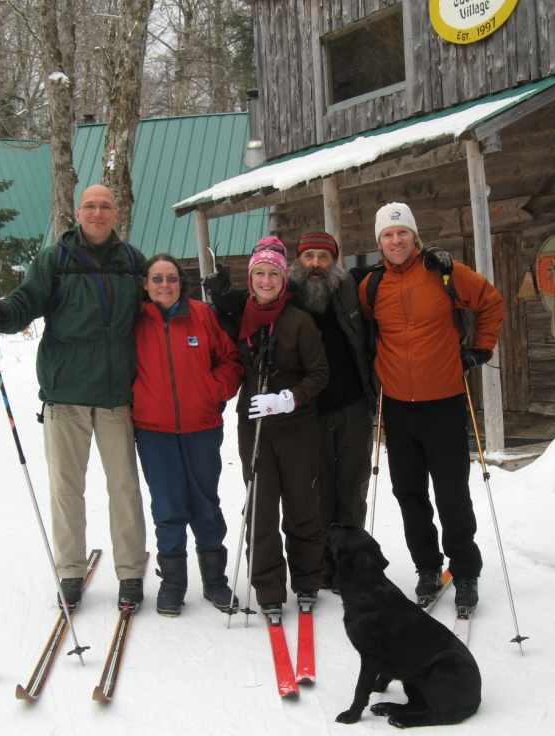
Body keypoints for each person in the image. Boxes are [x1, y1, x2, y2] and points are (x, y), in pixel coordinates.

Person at [0, 185, 148, 611]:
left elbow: (159, 308)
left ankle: (131, 572)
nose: (97, 213)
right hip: (65, 396)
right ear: (77, 213)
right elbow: (24, 303)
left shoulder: (133, 262)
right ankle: (70, 572)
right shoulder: (55, 260)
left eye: (105, 206)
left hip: (116, 393)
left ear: (116, 213)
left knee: (124, 487)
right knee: (66, 489)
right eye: (90, 206)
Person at [205, 232, 375, 593]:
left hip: (347, 404)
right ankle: (313, 569)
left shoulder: (348, 290)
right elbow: (253, 298)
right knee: (314, 495)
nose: (315, 263)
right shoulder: (290, 293)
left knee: (349, 489)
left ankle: (347, 567)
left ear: (335, 261)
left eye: (324, 257)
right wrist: (221, 297)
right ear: (298, 263)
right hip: (304, 414)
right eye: (308, 256)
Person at [357, 201, 505, 613]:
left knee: (452, 491)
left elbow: (491, 303)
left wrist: (479, 350)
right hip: (399, 407)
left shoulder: (445, 273)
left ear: (415, 235)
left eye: (402, 232)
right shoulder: (370, 287)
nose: (396, 240)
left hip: (444, 401)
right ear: (379, 242)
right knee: (409, 493)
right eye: (388, 234)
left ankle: (466, 570)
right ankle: (427, 567)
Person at [132, 253, 244, 617]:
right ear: (146, 285)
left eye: (171, 278)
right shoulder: (135, 321)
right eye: (157, 278)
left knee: (205, 505)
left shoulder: (201, 314)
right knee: (167, 508)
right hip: (153, 431)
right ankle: (173, 584)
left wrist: (212, 392)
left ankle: (215, 582)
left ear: (181, 281)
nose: (165, 284)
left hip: (201, 428)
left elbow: (230, 361)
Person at [233, 236, 329, 621]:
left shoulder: (299, 321)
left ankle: (307, 578)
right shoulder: (239, 318)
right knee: (260, 507)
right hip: (254, 427)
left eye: (274, 273)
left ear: (283, 279)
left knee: (301, 504)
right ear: (251, 277)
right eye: (260, 273)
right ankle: (268, 586)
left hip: (296, 426)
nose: (267, 280)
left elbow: (320, 373)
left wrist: (289, 397)